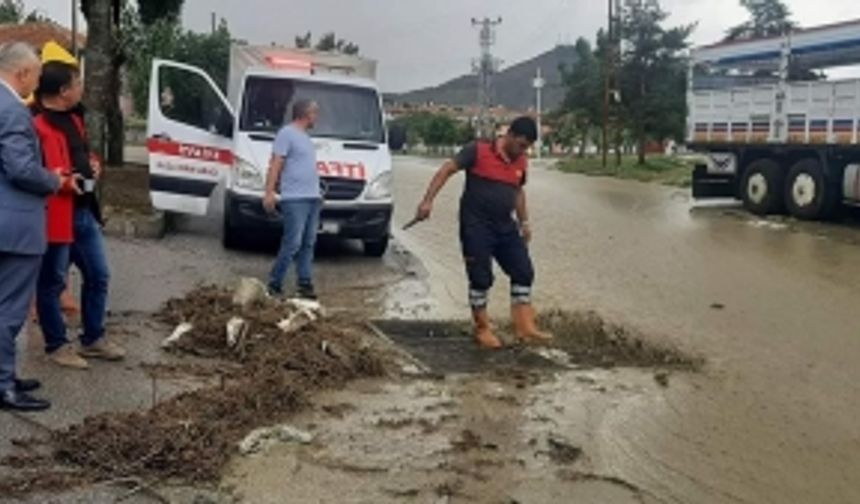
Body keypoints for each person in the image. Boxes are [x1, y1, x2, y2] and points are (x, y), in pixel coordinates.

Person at [414, 117, 552, 349]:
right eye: (521, 145)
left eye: (527, 147)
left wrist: (525, 222)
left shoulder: (521, 161)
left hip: (505, 226)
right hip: (476, 226)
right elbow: (447, 169)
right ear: (509, 135)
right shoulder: (477, 150)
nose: (523, 151)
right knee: (481, 279)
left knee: (523, 271)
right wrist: (427, 201)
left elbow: (518, 192)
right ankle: (482, 328)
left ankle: (524, 326)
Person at [33, 60, 124, 368]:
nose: (81, 88)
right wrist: (62, 179)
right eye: (77, 83)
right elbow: (33, 172)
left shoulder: (75, 117)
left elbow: (82, 152)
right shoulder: (36, 124)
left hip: (84, 212)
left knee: (98, 275)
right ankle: (56, 344)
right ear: (62, 91)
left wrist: (93, 164)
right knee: (51, 283)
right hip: (56, 214)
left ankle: (93, 338)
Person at [0, 42, 69, 411]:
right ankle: (3, 385)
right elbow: (20, 169)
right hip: (15, 226)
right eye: (38, 75)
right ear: (23, 73)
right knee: (9, 310)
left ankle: (5, 373)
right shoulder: (12, 110)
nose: (39, 83)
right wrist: (52, 180)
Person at [263, 99, 322, 300]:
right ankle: (274, 283)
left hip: (312, 197)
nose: (317, 117)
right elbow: (275, 164)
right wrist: (269, 192)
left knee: (308, 242)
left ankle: (304, 283)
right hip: (295, 198)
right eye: (315, 113)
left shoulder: (305, 137)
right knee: (292, 243)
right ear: (306, 114)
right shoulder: (286, 134)